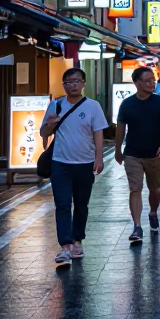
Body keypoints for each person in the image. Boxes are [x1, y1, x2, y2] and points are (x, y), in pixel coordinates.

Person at [41, 68, 107, 265]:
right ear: (64, 85)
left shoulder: (93, 106)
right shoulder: (56, 105)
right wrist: (51, 124)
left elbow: (98, 133)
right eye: (68, 82)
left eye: (77, 81)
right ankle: (65, 246)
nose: (73, 85)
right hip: (60, 163)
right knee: (62, 205)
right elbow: (43, 132)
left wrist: (99, 157)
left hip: (84, 163)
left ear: (83, 83)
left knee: (81, 204)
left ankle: (77, 240)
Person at [115, 66, 160, 243]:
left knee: (155, 189)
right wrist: (118, 150)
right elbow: (120, 128)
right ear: (136, 83)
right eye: (147, 80)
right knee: (135, 188)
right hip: (132, 153)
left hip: (155, 153)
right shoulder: (127, 104)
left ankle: (153, 212)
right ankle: (137, 226)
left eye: (153, 80)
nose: (151, 83)